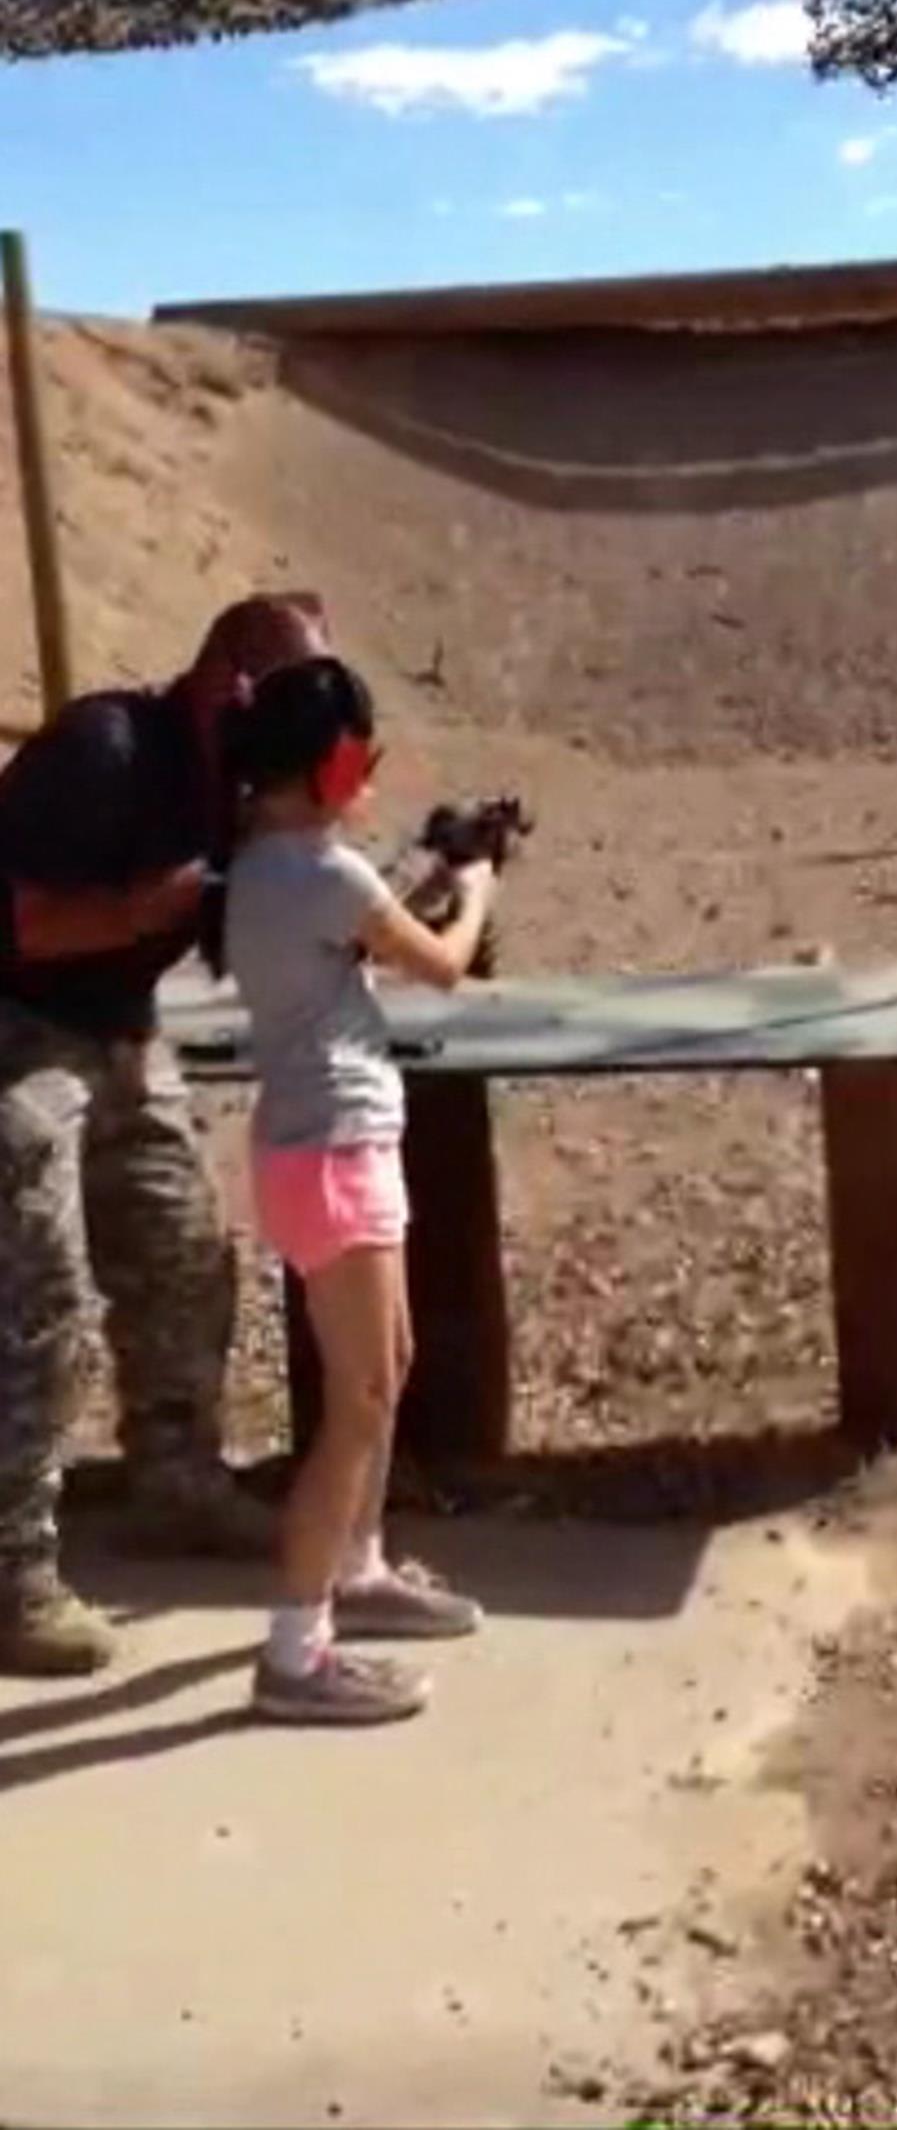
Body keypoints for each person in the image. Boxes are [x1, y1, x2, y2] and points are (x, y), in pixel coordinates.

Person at [0, 592, 330, 1678]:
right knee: (39, 1294)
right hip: (16, 1033)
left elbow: (255, 934)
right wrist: (137, 914)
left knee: (185, 1248)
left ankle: (176, 1482)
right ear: (226, 684)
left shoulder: (227, 790)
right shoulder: (104, 750)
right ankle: (13, 1573)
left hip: (120, 1036)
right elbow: (16, 914)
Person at [209, 653, 497, 1725]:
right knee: (359, 1404)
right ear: (330, 763)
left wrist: (423, 875)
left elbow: (356, 941)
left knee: (390, 1368)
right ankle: (296, 1650)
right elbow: (445, 963)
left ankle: (359, 1568)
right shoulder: (324, 875)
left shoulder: (268, 864)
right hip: (332, 1150)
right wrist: (476, 884)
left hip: (325, 1148)